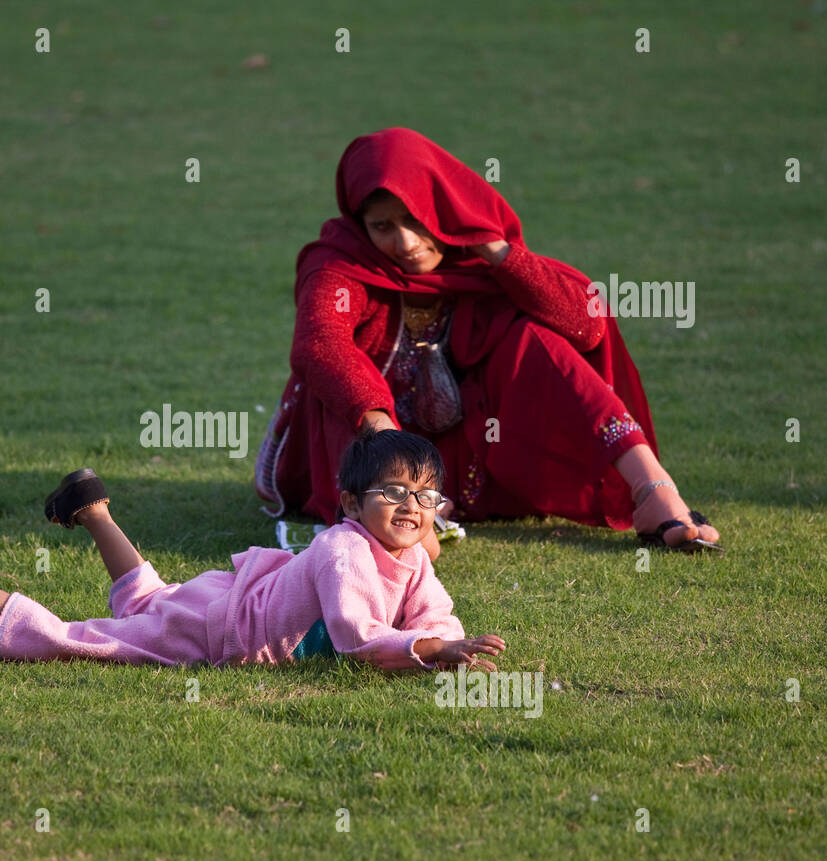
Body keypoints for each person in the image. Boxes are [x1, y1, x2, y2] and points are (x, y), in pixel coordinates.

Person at [255, 127, 722, 553]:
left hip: (471, 460)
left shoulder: (479, 263)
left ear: (444, 210)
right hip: (373, 450)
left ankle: (651, 489)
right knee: (339, 382)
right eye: (383, 226)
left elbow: (587, 324)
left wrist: (496, 251)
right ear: (361, 224)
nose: (406, 242)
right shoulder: (339, 262)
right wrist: (388, 446)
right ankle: (392, 514)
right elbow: (321, 344)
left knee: (535, 340)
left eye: (418, 220)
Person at [0, 431, 505, 672]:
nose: (411, 508)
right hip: (220, 631)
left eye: (425, 496)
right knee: (88, 640)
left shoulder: (413, 555)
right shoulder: (346, 551)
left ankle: (93, 509)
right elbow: (356, 639)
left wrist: (450, 643)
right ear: (347, 503)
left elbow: (433, 612)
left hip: (227, 600)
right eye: (392, 492)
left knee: (148, 601)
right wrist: (431, 653)